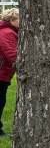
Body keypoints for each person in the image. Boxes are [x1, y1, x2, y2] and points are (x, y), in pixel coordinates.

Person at [0, 8, 20, 137]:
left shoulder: (9, 31)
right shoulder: (7, 33)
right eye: (20, 19)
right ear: (12, 20)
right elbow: (12, 54)